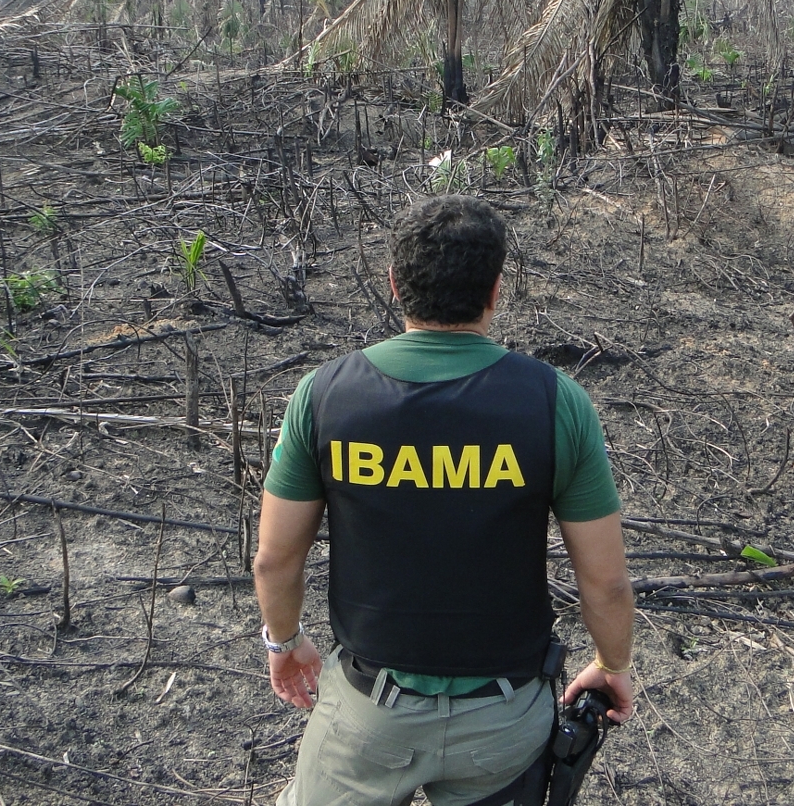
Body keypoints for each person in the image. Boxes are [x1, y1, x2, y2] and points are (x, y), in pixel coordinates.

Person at [253, 195, 634, 806]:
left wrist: (284, 641)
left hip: (370, 711)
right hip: (505, 717)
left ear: (394, 284)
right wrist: (613, 665)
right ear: (495, 290)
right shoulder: (555, 401)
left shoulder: (323, 395)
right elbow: (606, 582)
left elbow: (274, 560)